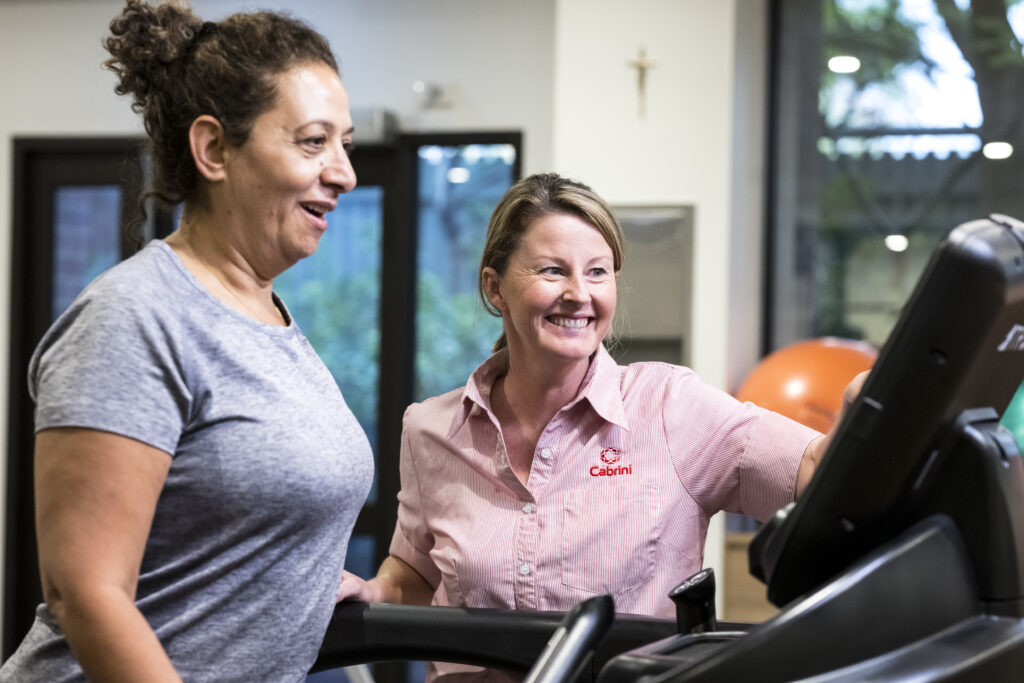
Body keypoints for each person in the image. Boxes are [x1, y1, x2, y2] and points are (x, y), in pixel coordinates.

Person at [338, 172, 860, 679]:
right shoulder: (431, 429)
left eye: (597, 271)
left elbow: (815, 470)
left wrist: (883, 403)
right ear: (494, 288)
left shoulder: (670, 407)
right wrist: (376, 592)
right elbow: (417, 571)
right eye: (551, 270)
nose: (578, 293)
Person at [0, 2, 372, 681]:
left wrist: (305, 566)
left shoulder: (271, 316)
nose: (345, 171)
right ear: (213, 149)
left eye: (345, 143)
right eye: (314, 142)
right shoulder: (135, 316)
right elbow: (85, 592)